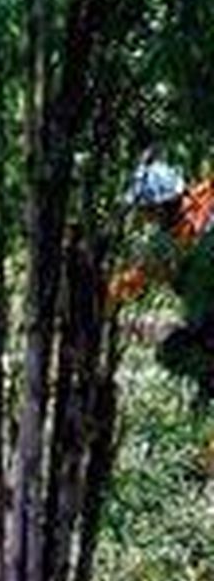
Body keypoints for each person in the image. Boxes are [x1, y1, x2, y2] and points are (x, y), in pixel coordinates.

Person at [112, 159, 214, 469]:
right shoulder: (167, 242)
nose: (144, 217)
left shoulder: (205, 218)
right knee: (177, 352)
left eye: (147, 210)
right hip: (206, 325)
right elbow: (135, 280)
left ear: (163, 205)